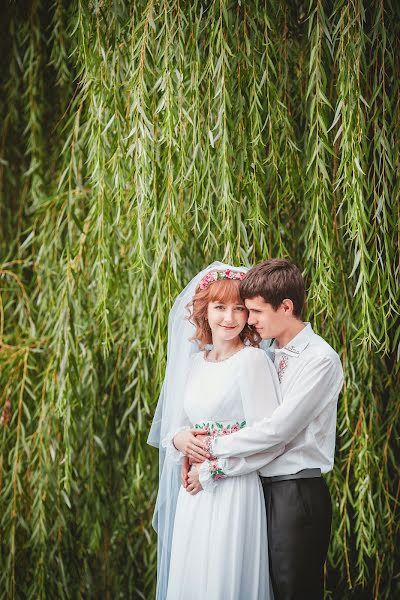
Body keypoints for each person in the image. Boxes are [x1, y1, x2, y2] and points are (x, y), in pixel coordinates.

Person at [174, 259, 344, 600]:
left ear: (286, 307)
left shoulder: (319, 359)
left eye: (253, 311)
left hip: (294, 491)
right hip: (258, 487)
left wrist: (211, 453)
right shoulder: (268, 351)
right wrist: (181, 439)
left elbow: (276, 430)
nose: (246, 321)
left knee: (292, 589)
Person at [148, 262, 284, 600]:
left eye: (239, 308)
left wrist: (213, 470)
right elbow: (175, 426)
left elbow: (268, 441)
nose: (230, 317)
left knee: (225, 579)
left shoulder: (252, 361)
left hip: (233, 490)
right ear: (204, 312)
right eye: (220, 307)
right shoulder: (196, 363)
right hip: (194, 495)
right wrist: (179, 440)